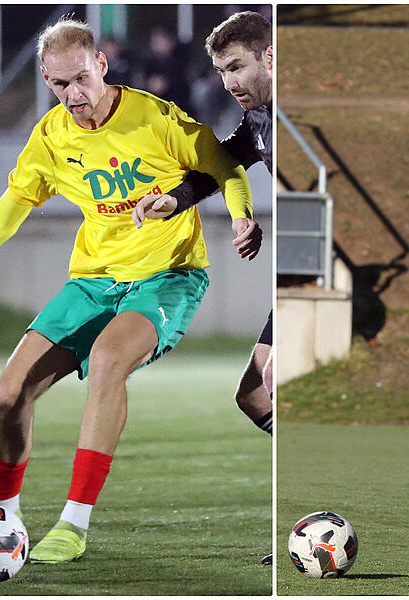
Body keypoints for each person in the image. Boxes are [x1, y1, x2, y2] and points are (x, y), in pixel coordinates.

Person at [0, 17, 253, 564]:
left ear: (100, 65)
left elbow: (225, 165)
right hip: (92, 281)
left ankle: (74, 523)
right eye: (58, 84)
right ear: (46, 80)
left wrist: (242, 216)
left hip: (167, 276)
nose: (72, 94)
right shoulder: (52, 135)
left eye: (81, 79)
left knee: (105, 362)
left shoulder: (153, 116)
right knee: (8, 395)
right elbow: (3, 215)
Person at [132, 10, 272, 565]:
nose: (228, 82)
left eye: (237, 67)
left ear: (271, 57)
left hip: (323, 273)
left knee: (281, 385)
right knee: (254, 394)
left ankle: (314, 514)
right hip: (294, 274)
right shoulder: (260, 118)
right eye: (220, 72)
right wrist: (175, 199)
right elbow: (225, 160)